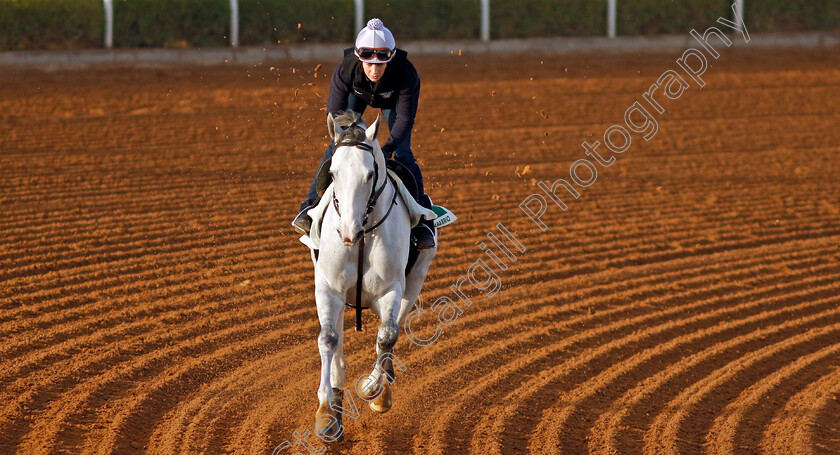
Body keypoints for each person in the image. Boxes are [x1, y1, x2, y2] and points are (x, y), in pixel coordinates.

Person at [292, 18, 436, 249]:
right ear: (359, 59)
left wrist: (386, 149)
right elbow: (335, 114)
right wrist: (348, 142)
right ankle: (310, 208)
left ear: (391, 58)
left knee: (403, 153)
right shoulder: (346, 68)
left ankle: (421, 221)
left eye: (381, 64)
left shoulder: (406, 73)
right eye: (369, 64)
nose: (374, 69)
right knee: (337, 148)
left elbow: (406, 119)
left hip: (393, 101)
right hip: (356, 99)